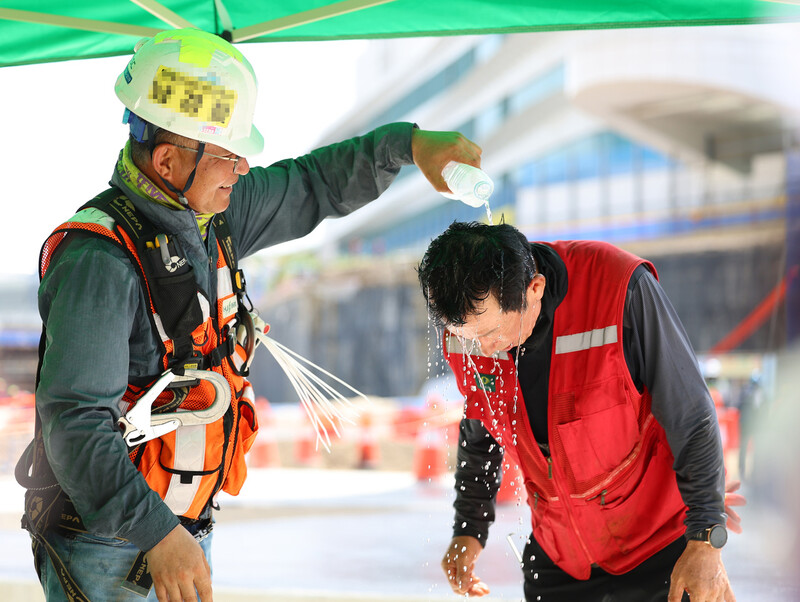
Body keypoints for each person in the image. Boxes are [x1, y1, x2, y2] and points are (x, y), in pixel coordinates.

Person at [14, 29, 481, 602]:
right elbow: (76, 421)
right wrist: (158, 535)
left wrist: (406, 146)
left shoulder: (212, 215)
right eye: (230, 155)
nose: (241, 170)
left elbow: (312, 184)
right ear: (167, 160)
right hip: (108, 547)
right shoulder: (99, 261)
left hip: (173, 532)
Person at [417, 221, 738, 602]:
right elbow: (481, 424)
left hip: (659, 547)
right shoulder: (468, 325)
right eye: (468, 337)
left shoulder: (619, 288)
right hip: (560, 556)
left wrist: (705, 538)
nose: (484, 350)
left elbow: (690, 412)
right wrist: (468, 529)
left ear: (534, 289)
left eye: (491, 335)